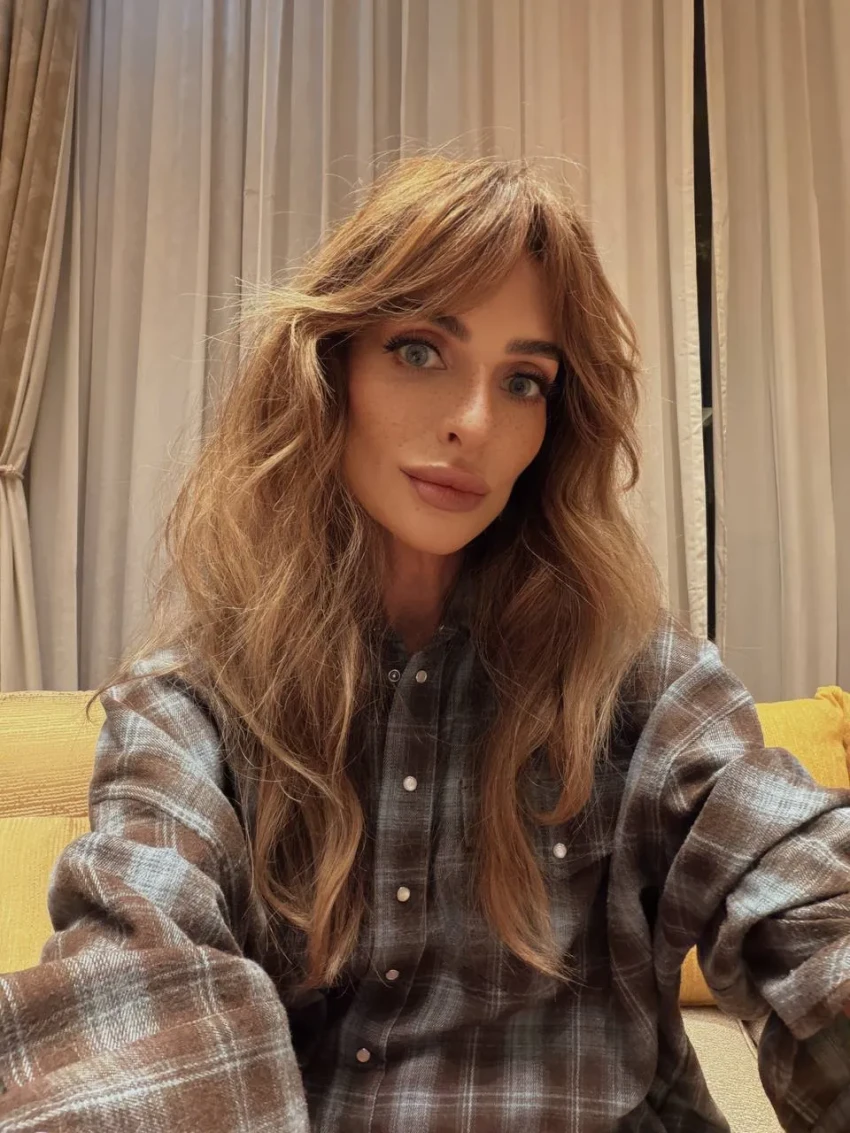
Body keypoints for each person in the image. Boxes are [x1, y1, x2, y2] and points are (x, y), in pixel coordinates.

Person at [1, 154, 849, 1133]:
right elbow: (137, 981)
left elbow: (801, 891)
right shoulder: (191, 708)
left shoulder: (642, 687)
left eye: (523, 380)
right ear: (331, 367)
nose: (475, 424)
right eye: (419, 350)